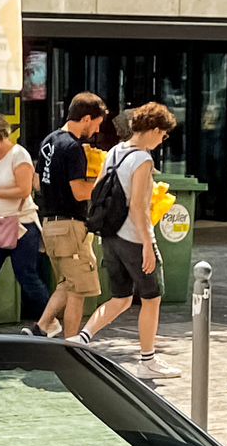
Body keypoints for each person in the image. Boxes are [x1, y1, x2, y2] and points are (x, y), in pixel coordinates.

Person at [76, 102, 179, 381]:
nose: (162, 140)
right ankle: (147, 360)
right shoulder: (143, 160)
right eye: (163, 134)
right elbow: (138, 208)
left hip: (111, 236)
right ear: (155, 129)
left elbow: (98, 190)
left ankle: (82, 338)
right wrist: (148, 244)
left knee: (120, 297)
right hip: (134, 237)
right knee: (152, 297)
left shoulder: (114, 153)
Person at [32, 91, 106, 340]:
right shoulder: (73, 147)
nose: (95, 130)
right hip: (70, 225)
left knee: (67, 282)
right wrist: (102, 183)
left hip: (49, 224)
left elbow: (38, 183)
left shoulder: (49, 141)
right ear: (86, 118)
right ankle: (73, 345)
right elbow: (79, 191)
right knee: (79, 289)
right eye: (96, 123)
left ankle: (41, 327)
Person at [0, 116, 51, 329]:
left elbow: (24, 190)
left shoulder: (19, 155)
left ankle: (48, 319)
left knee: (27, 277)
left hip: (21, 226)